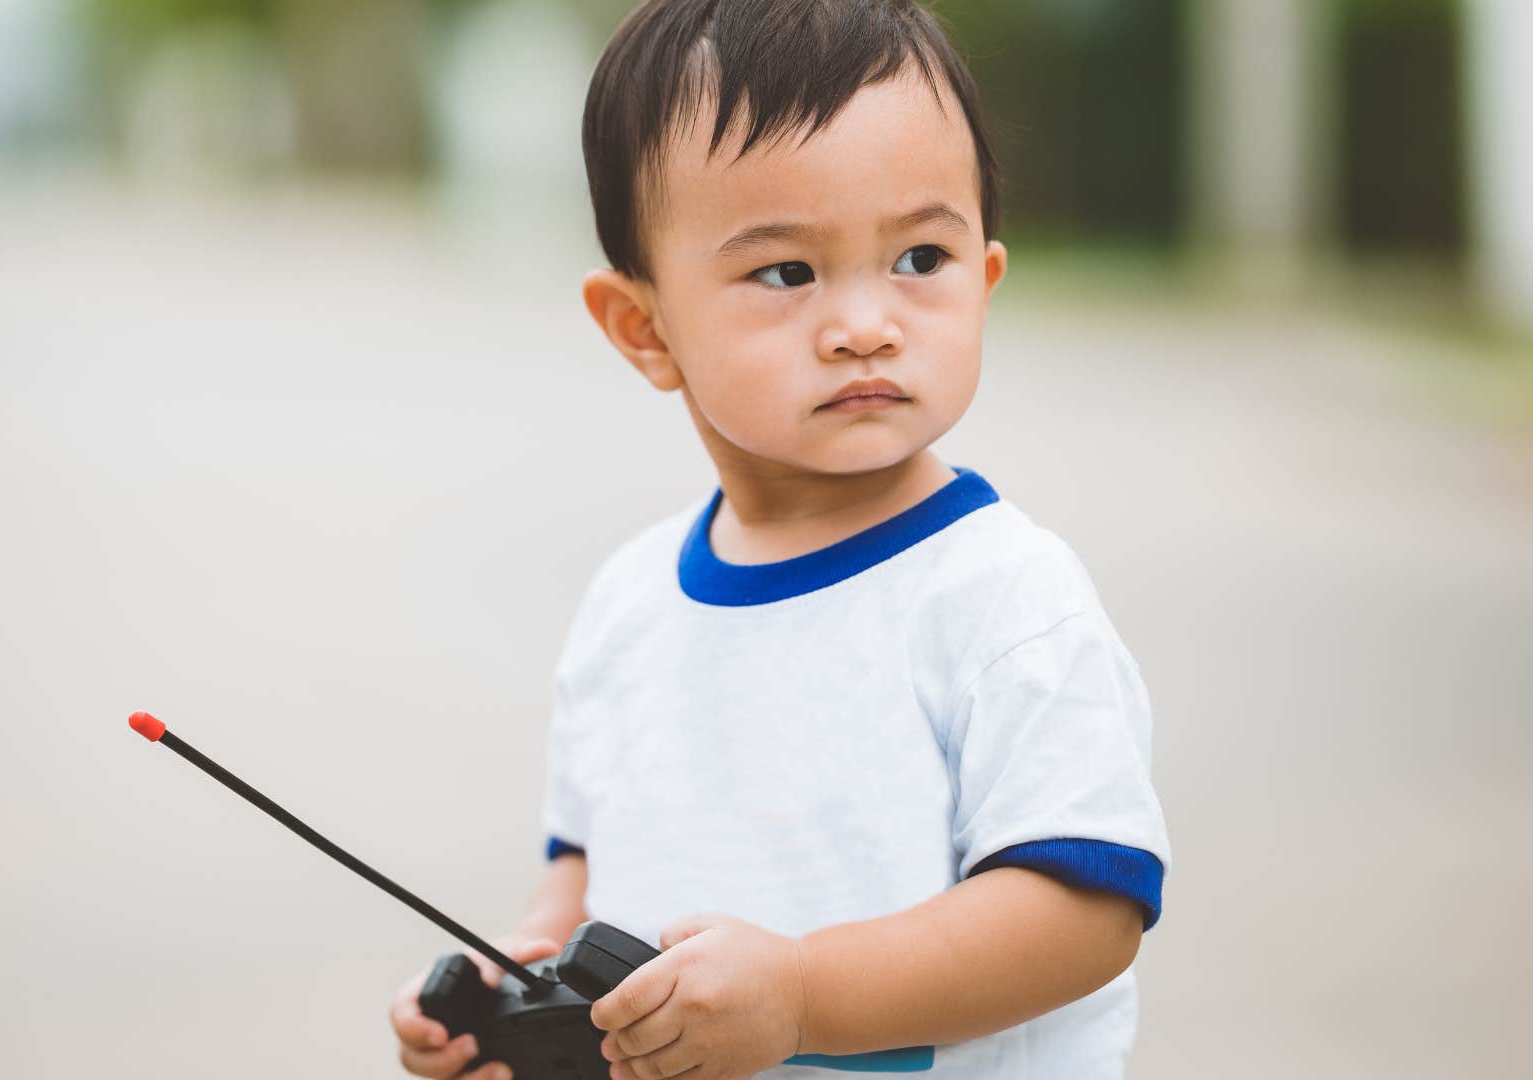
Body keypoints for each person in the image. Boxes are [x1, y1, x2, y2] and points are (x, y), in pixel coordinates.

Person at [389, 1, 1170, 1077]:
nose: (866, 323)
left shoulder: (1000, 597)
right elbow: (582, 872)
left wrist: (805, 997)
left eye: (920, 256)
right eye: (788, 273)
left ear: (984, 281)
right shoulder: (630, 606)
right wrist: (521, 999)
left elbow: (1083, 914)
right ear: (645, 329)